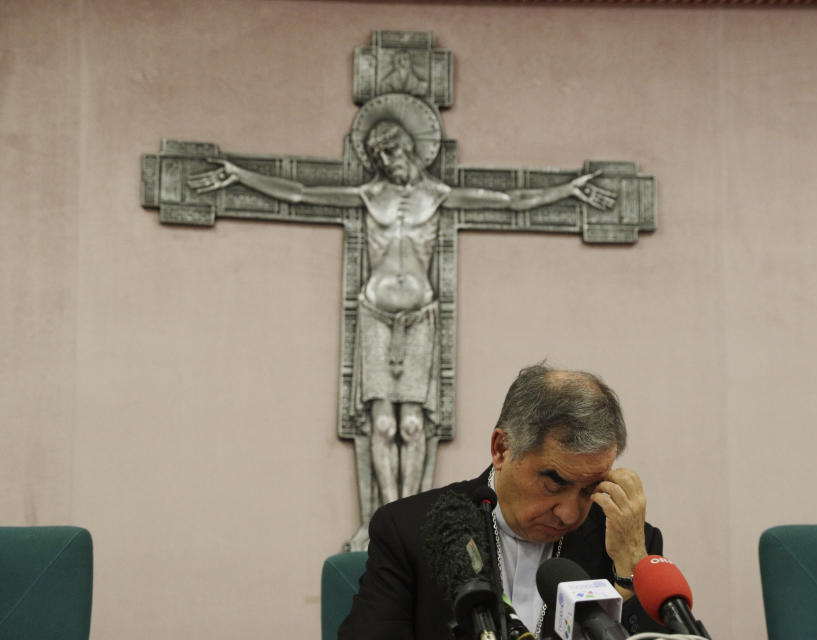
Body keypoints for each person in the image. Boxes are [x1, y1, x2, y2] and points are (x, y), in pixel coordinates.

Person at [188, 121, 617, 548]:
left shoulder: (437, 195)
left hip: (418, 319)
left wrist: (568, 190)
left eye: (391, 153)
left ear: (410, 149)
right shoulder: (369, 194)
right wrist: (240, 175)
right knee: (380, 424)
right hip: (375, 314)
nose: (387, 163)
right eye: (378, 157)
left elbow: (509, 200)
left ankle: (409, 517)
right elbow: (301, 192)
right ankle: (383, 519)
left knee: (412, 425)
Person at [338, 363, 667, 639]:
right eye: (554, 481)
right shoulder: (410, 529)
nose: (569, 514)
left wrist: (634, 566)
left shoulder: (622, 543)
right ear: (501, 448)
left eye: (588, 489)